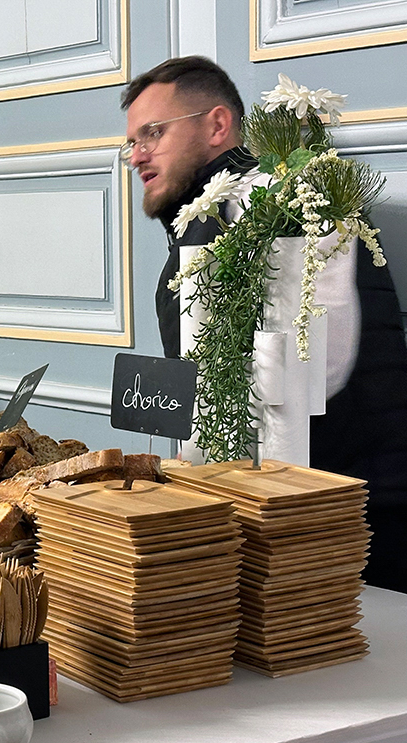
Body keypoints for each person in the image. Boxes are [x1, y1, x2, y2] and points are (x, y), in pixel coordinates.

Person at [122, 56, 407, 593]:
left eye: (153, 133)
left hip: (342, 526)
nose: (137, 155)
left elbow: (317, 369)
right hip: (298, 514)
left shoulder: (284, 203)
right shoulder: (221, 213)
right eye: (131, 142)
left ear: (217, 124)